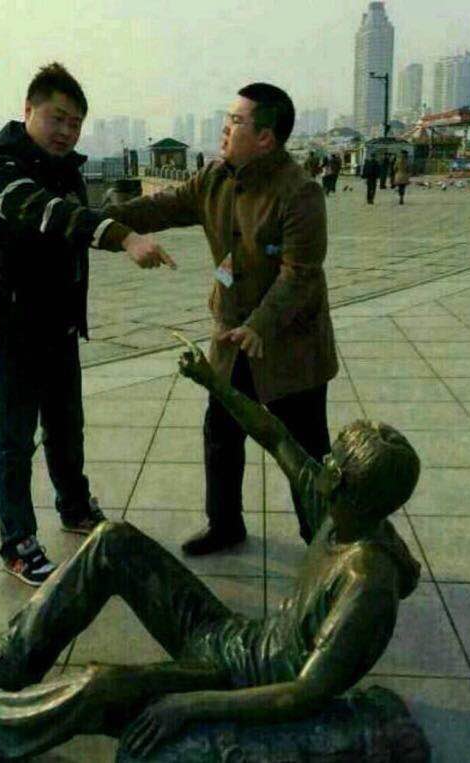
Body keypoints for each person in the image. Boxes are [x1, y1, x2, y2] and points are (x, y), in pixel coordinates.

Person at [0, 341, 423, 763]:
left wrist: (188, 704)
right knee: (114, 541)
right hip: (232, 639)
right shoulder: (338, 510)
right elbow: (275, 434)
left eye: (331, 463)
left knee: (100, 685)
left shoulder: (366, 582)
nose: (320, 463)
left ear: (345, 485)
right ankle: (14, 659)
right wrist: (213, 382)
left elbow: (303, 693)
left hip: (238, 684)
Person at [102, 83, 338, 555]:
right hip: (231, 335)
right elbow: (161, 207)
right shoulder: (214, 177)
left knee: (304, 449)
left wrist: (260, 325)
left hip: (289, 343)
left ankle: (324, 540)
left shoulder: (300, 193)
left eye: (235, 121)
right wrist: (102, 224)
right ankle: (225, 524)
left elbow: (300, 274)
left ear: (265, 137)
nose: (225, 128)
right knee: (221, 432)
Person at [0, 63, 175, 586]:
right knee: (15, 439)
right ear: (28, 110)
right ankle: (17, 543)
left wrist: (127, 222)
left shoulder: (64, 167)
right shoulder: (3, 167)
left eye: (76, 123)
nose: (66, 131)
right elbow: (47, 213)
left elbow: (75, 223)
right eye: (57, 118)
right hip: (12, 325)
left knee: (66, 424)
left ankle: (75, 506)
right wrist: (123, 237)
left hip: (58, 324)